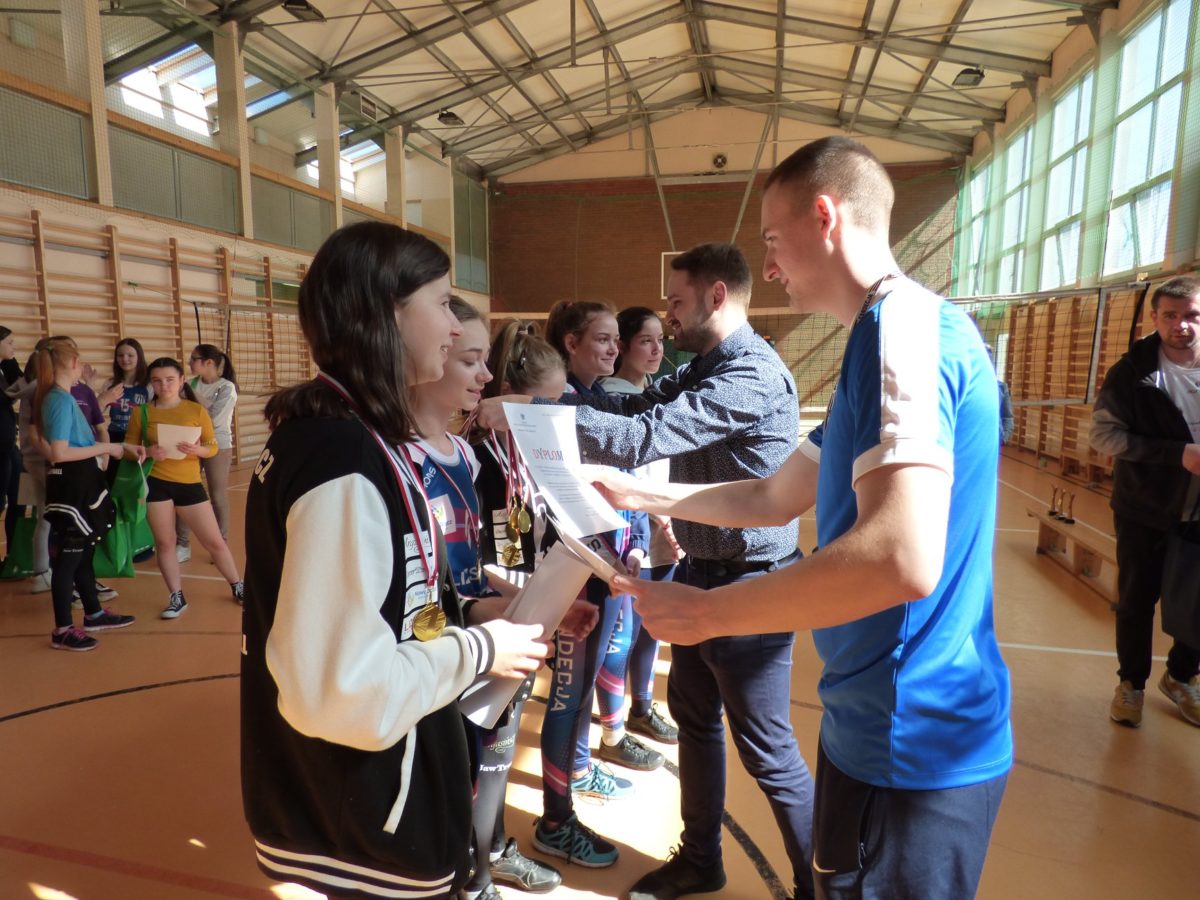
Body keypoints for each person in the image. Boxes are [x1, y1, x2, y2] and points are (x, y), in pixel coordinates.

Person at [586, 138, 1012, 900]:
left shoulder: (905, 332)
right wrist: (646, 497)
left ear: (825, 217)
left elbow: (899, 557)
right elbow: (773, 496)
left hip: (913, 736)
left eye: (774, 241)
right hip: (868, 721)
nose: (771, 266)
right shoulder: (871, 344)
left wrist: (709, 612)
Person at [479, 244, 816, 900]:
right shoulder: (705, 366)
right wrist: (542, 406)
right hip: (702, 572)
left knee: (768, 752)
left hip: (752, 581)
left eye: (677, 301)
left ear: (717, 296)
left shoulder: (749, 373)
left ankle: (818, 886)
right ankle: (701, 859)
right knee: (696, 721)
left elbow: (643, 437)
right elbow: (631, 410)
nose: (668, 313)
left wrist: (531, 416)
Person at [240, 221, 548, 900]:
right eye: (441, 303)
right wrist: (481, 647)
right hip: (362, 813)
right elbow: (343, 692)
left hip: (369, 798)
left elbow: (387, 607)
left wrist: (472, 612)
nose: (454, 326)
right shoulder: (343, 459)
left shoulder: (353, 441)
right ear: (387, 313)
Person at [410, 299, 565, 900]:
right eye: (469, 359)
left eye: (484, 359)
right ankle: (471, 873)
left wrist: (525, 599)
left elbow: (465, 573)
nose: (485, 375)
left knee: (488, 759)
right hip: (437, 659)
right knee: (455, 776)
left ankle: (482, 867)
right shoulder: (399, 463)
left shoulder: (464, 455)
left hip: (481, 637)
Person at [1091, 275, 1200, 728]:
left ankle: (1181, 677)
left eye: (1192, 315)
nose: (1182, 325)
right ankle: (1131, 684)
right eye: (1170, 315)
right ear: (1154, 318)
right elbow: (1104, 436)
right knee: (1137, 599)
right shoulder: (1132, 374)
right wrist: (1177, 454)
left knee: (1197, 601)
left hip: (1199, 513)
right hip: (1145, 507)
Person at [600, 307, 681, 746]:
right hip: (637, 526)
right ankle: (617, 720)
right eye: (646, 340)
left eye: (660, 340)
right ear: (624, 346)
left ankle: (642, 708)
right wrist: (663, 521)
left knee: (653, 626)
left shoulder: (652, 391)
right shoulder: (613, 398)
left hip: (659, 521)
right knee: (626, 633)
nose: (656, 349)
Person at [32, 337, 138, 651]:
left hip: (80, 479)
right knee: (69, 558)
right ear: (73, 364)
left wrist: (113, 448)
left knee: (83, 552)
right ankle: (63, 628)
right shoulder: (59, 400)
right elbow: (60, 452)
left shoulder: (60, 397)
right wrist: (107, 447)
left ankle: (94, 612)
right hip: (71, 483)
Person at [126, 358, 243, 619]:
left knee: (214, 541)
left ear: (181, 381)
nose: (163, 385)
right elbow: (128, 449)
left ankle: (237, 584)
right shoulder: (142, 412)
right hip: (156, 484)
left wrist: (198, 450)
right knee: (165, 542)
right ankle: (176, 596)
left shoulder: (195, 411)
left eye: (170, 380)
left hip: (189, 484)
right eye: (157, 381)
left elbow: (212, 446)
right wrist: (147, 452)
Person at [175, 343, 238, 562]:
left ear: (208, 363)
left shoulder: (226, 387)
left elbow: (213, 418)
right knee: (184, 491)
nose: (189, 363)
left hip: (217, 444)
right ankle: (182, 544)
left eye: (194, 359)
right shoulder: (191, 383)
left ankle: (220, 544)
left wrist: (191, 394)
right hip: (190, 442)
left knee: (217, 495)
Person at [98, 338, 152, 448]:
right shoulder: (110, 384)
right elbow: (97, 412)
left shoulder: (149, 385)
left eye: (130, 355)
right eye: (120, 355)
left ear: (139, 357)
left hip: (139, 438)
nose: (125, 359)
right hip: (114, 436)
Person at [1, 326, 22, 557]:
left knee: (20, 499)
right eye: (9, 342)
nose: (13, 347)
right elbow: (10, 394)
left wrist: (10, 360)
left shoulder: (5, 366)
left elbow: (20, 383)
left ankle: (14, 556)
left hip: (9, 446)